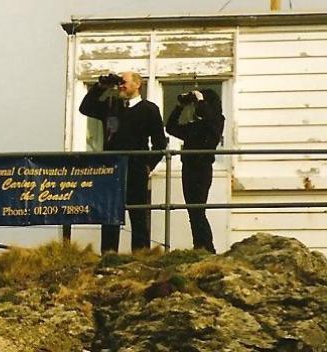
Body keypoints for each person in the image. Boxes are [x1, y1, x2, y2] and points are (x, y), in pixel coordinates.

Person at [79, 71, 167, 254]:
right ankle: (110, 255)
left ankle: (141, 255)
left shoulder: (149, 109)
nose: (120, 86)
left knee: (138, 215)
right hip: (112, 169)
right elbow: (85, 108)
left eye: (124, 82)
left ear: (137, 84)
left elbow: (160, 142)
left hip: (136, 169)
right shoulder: (111, 106)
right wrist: (101, 87)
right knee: (110, 214)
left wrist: (148, 165)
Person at [165, 88, 224, 253]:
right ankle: (200, 245)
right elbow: (171, 127)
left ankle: (207, 247)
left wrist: (200, 100)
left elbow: (211, 123)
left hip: (202, 169)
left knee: (198, 209)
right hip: (189, 168)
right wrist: (179, 106)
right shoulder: (196, 125)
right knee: (193, 211)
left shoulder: (217, 120)